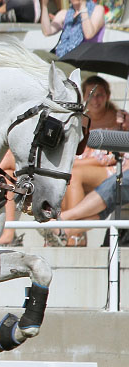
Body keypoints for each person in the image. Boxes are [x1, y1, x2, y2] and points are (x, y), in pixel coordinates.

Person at [50, 76, 129, 246]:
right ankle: (72, 235)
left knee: (74, 173)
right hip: (83, 167)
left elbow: (107, 158)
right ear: (84, 96)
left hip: (111, 168)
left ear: (107, 96)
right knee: (68, 174)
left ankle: (69, 231)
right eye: (91, 95)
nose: (95, 100)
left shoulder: (120, 118)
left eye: (100, 95)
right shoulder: (80, 119)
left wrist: (123, 127)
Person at [40, 0, 105, 59]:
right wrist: (44, 4)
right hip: (64, 57)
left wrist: (82, 5)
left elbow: (89, 34)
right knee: (39, 55)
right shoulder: (65, 13)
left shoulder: (97, 10)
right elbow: (47, 31)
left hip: (86, 60)